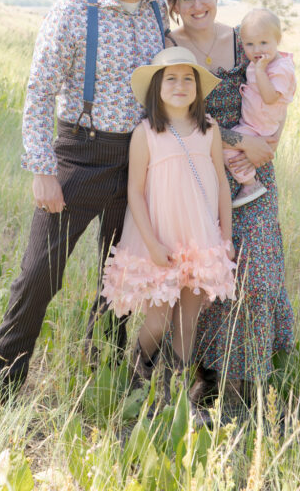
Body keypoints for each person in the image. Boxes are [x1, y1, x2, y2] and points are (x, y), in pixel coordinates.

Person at [0, 0, 179, 397]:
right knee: (38, 277)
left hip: (138, 162)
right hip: (78, 154)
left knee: (119, 281)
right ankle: (2, 388)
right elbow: (39, 90)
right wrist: (42, 169)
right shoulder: (74, 9)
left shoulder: (158, 11)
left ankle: (105, 381)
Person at [164, 0, 294, 402]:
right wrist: (241, 139)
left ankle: (250, 379)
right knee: (209, 274)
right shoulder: (169, 48)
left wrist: (269, 137)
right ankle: (209, 375)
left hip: (251, 174)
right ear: (174, 7)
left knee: (255, 274)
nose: (198, 5)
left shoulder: (244, 38)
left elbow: (279, 87)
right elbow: (176, 118)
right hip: (196, 172)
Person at [102, 47, 235, 388]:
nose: (180, 85)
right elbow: (135, 191)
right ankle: (137, 373)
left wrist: (226, 237)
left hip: (200, 239)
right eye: (171, 79)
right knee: (159, 321)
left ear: (197, 88)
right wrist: (151, 243)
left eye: (188, 79)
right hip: (159, 239)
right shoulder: (146, 133)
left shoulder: (209, 129)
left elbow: (221, 183)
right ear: (157, 88)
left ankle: (172, 391)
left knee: (187, 322)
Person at [225, 8, 297, 208]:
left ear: (277, 40)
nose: (257, 50)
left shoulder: (280, 68)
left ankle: (250, 184)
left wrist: (260, 71)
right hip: (253, 122)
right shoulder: (260, 62)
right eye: (250, 44)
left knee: (225, 149)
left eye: (264, 43)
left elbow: (271, 97)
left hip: (260, 127)